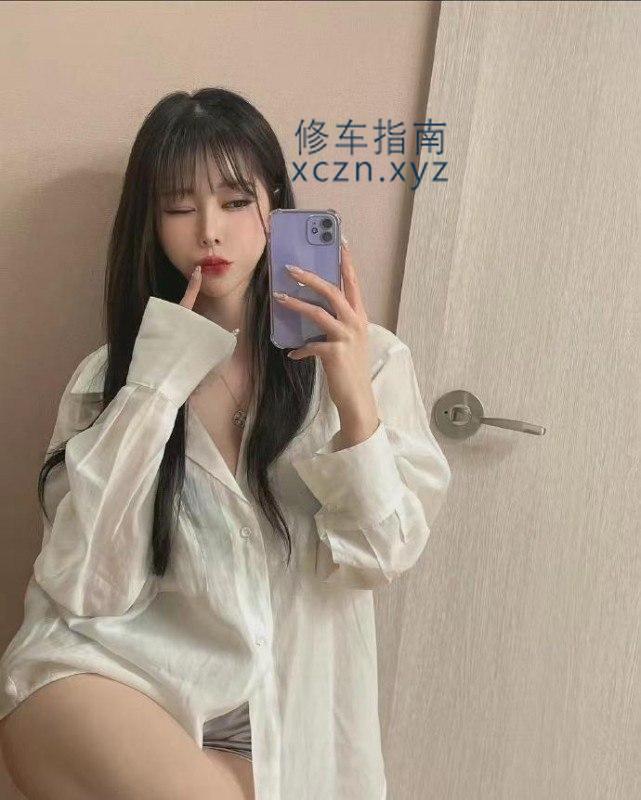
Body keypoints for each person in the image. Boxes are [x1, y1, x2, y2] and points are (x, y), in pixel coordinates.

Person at [0, 87, 452, 800]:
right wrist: (154, 387)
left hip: (288, 712)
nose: (209, 231)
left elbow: (382, 553)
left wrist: (350, 397)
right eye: (179, 207)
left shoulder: (373, 363)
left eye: (236, 202)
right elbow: (84, 587)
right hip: (123, 682)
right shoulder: (110, 379)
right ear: (150, 222)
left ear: (276, 206)